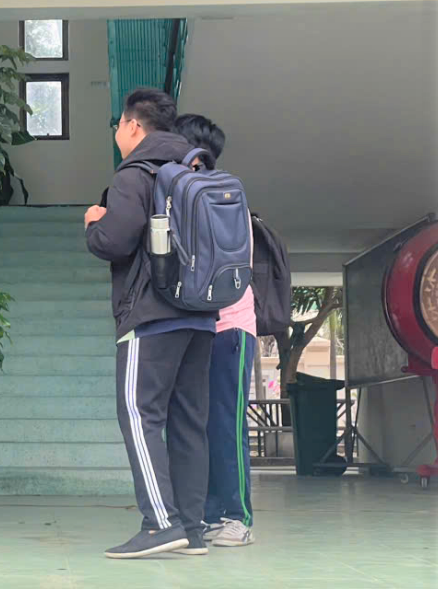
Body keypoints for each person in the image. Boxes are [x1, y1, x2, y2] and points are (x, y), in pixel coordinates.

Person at [85, 88, 216, 559]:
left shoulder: (135, 173)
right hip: (201, 315)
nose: (117, 134)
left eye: (118, 126)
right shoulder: (198, 169)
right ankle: (192, 529)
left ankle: (161, 523)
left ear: (133, 126)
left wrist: (93, 223)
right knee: (189, 422)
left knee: (140, 415)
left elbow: (114, 241)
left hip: (152, 312)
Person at [175, 114, 256, 547]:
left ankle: (237, 517)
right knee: (200, 426)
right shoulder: (184, 193)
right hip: (197, 327)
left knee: (226, 424)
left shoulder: (225, 197)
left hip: (230, 327)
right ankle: (207, 514)